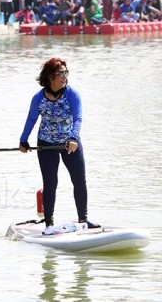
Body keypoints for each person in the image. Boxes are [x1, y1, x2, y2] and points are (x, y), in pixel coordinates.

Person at [19, 57, 100, 235]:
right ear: (50, 76)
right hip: (46, 145)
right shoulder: (38, 98)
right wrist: (23, 140)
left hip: (69, 144)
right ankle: (48, 225)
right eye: (60, 73)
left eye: (66, 72)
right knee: (50, 183)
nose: (64, 76)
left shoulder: (72, 94)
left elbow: (78, 119)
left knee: (79, 180)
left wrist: (73, 138)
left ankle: (83, 220)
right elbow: (32, 119)